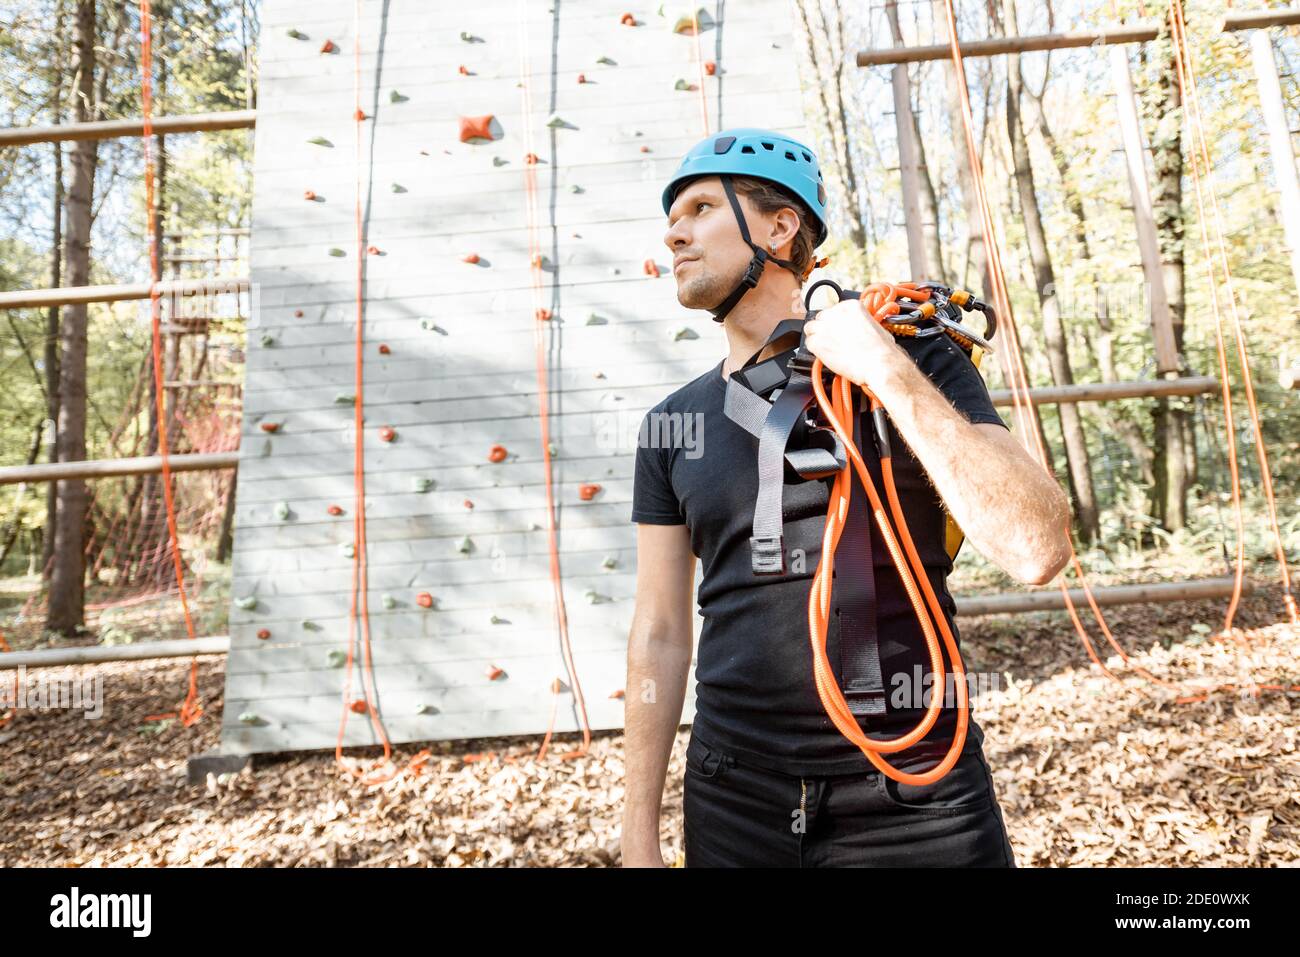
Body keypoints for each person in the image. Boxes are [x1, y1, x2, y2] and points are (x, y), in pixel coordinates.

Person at [619, 127, 1071, 868]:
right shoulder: (671, 425)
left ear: (780, 225)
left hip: (916, 792)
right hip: (733, 797)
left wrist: (884, 371)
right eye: (674, 216)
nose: (674, 232)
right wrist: (638, 831)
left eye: (700, 207)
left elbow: (1037, 547)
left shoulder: (914, 357)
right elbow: (660, 630)